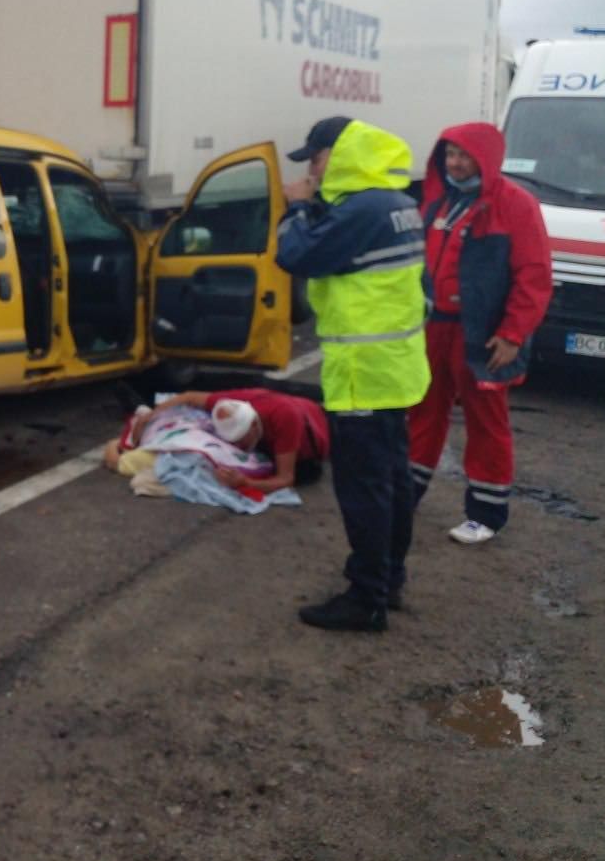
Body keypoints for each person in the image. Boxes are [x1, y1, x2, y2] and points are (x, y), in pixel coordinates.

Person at [277, 115, 430, 632]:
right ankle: (388, 581)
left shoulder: (361, 208)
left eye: (316, 159)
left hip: (363, 373)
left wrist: (296, 207)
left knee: (365, 488)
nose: (313, 171)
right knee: (391, 481)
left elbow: (296, 254)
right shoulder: (395, 201)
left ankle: (365, 599)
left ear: (337, 156)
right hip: (394, 369)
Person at [408, 123, 552, 544]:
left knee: (486, 420)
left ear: (486, 159)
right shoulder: (437, 200)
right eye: (450, 154)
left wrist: (512, 334)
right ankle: (407, 491)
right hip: (434, 326)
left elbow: (534, 275)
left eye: (464, 155)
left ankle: (486, 513)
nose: (455, 162)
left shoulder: (516, 205)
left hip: (483, 334)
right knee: (421, 409)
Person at [128, 388, 328, 493]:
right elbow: (188, 397)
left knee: (302, 474)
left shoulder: (285, 419)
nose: (238, 447)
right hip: (284, 411)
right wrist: (149, 417)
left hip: (314, 431)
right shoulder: (231, 404)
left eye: (241, 441)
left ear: (253, 427)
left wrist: (246, 482)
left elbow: (286, 479)